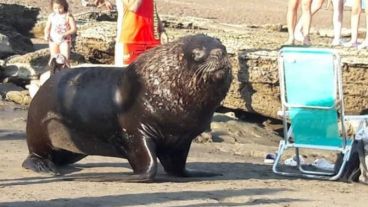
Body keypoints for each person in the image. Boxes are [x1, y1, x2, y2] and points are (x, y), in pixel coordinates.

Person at [90, 0, 167, 66]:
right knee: (127, 77)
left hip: (152, 41)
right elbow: (133, 7)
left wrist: (162, 30)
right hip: (131, 41)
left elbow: (153, 9)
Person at [44, 0, 77, 67]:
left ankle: (68, 74)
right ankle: (52, 73)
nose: (58, 10)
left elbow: (74, 29)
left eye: (60, 8)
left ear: (64, 6)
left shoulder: (68, 15)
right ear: (52, 7)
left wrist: (64, 34)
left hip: (64, 40)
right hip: (53, 39)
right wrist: (46, 34)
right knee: (53, 57)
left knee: (65, 58)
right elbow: (47, 28)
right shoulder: (51, 16)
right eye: (55, 8)